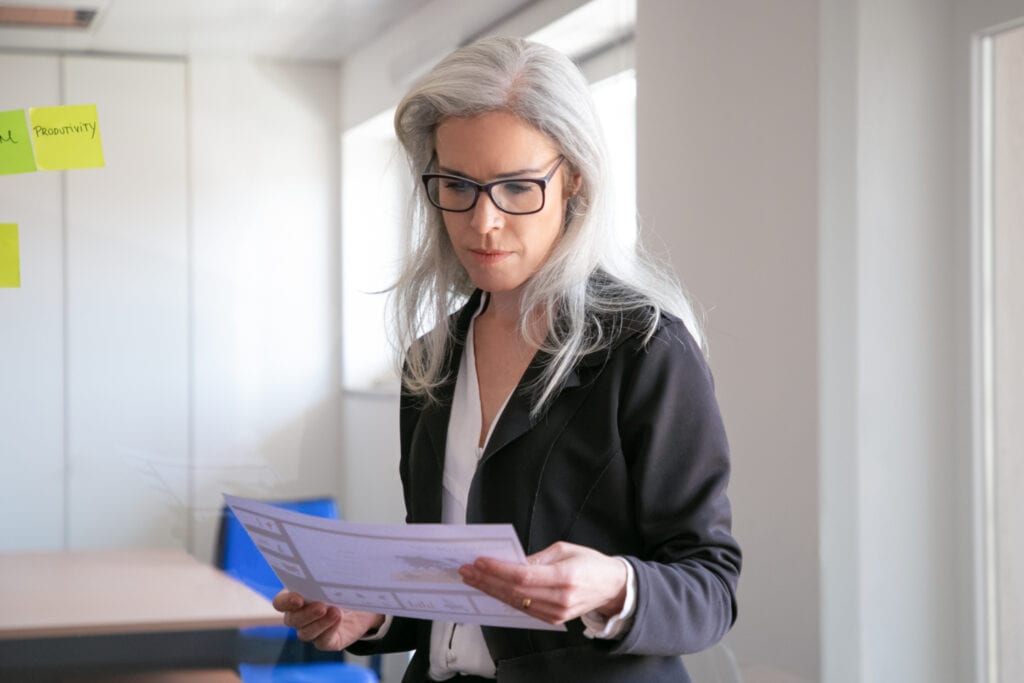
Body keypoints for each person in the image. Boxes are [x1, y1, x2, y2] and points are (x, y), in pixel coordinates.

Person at [274, 36, 741, 682]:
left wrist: (614, 583)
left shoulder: (645, 348)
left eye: (517, 187)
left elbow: (712, 585)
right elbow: (451, 583)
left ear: (574, 179)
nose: (483, 222)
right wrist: (373, 611)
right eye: (457, 186)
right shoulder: (431, 359)